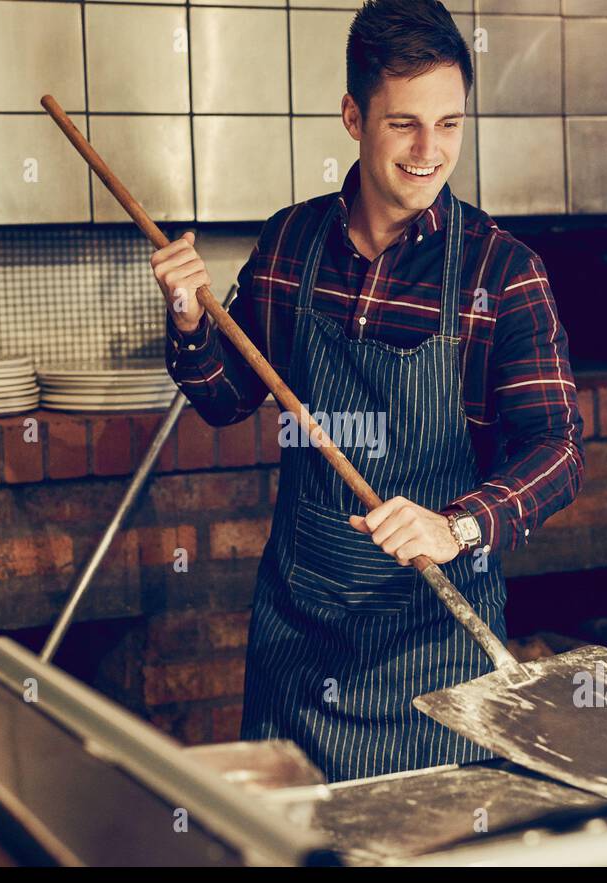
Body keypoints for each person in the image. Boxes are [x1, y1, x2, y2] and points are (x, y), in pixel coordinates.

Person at [151, 0, 584, 784]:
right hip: (298, 645)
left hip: (436, 663)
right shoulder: (292, 243)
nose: (430, 151)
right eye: (405, 124)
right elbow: (223, 397)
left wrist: (458, 526)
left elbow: (557, 449)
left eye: (450, 124)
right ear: (353, 116)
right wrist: (189, 318)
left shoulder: (501, 271)